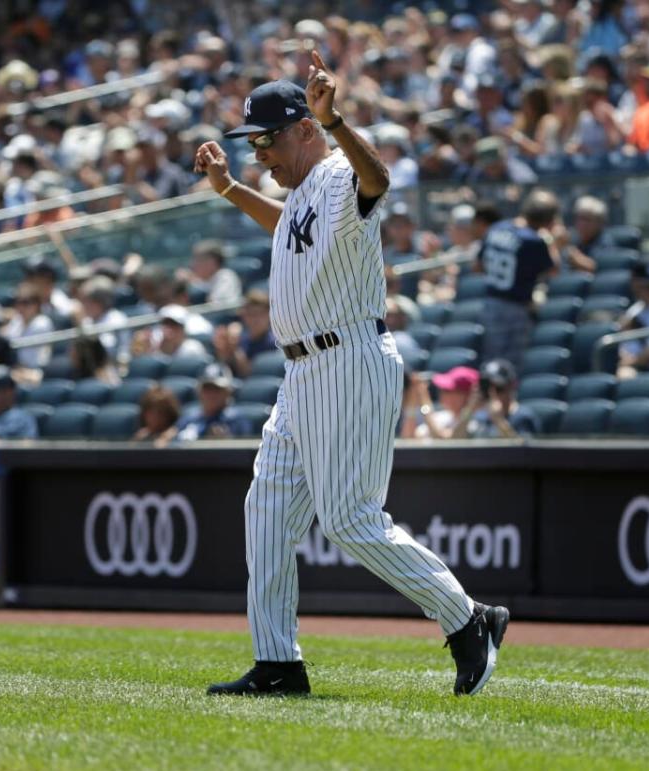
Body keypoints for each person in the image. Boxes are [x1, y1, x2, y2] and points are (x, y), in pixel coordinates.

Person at [193, 57, 507, 698]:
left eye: (267, 140)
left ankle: (468, 619)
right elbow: (288, 230)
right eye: (252, 144)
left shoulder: (336, 171)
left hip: (347, 360)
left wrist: (337, 120)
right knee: (268, 510)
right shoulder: (302, 194)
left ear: (305, 129)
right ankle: (278, 662)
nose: (260, 154)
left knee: (350, 521)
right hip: (301, 372)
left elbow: (377, 177)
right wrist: (229, 188)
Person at [477, 189, 559, 367]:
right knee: (509, 367)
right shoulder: (534, 241)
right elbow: (554, 269)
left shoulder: (497, 228)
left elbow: (478, 265)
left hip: (490, 303)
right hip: (514, 310)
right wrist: (549, 239)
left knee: (491, 360)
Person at [452, 359, 541, 439]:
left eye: (498, 389)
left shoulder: (523, 417)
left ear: (511, 386)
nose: (493, 394)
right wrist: (470, 410)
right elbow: (454, 444)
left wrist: (499, 420)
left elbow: (524, 453)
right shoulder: (480, 417)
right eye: (488, 388)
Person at [174, 364, 252, 440]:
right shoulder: (189, 418)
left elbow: (244, 450)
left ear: (227, 392)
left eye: (216, 389)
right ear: (199, 392)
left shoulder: (236, 420)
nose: (211, 395)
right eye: (207, 389)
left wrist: (225, 442)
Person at [618, 262, 649, 378]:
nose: (647, 291)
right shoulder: (634, 311)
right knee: (624, 374)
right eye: (644, 287)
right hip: (637, 364)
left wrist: (634, 361)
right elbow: (624, 343)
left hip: (641, 360)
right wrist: (626, 357)